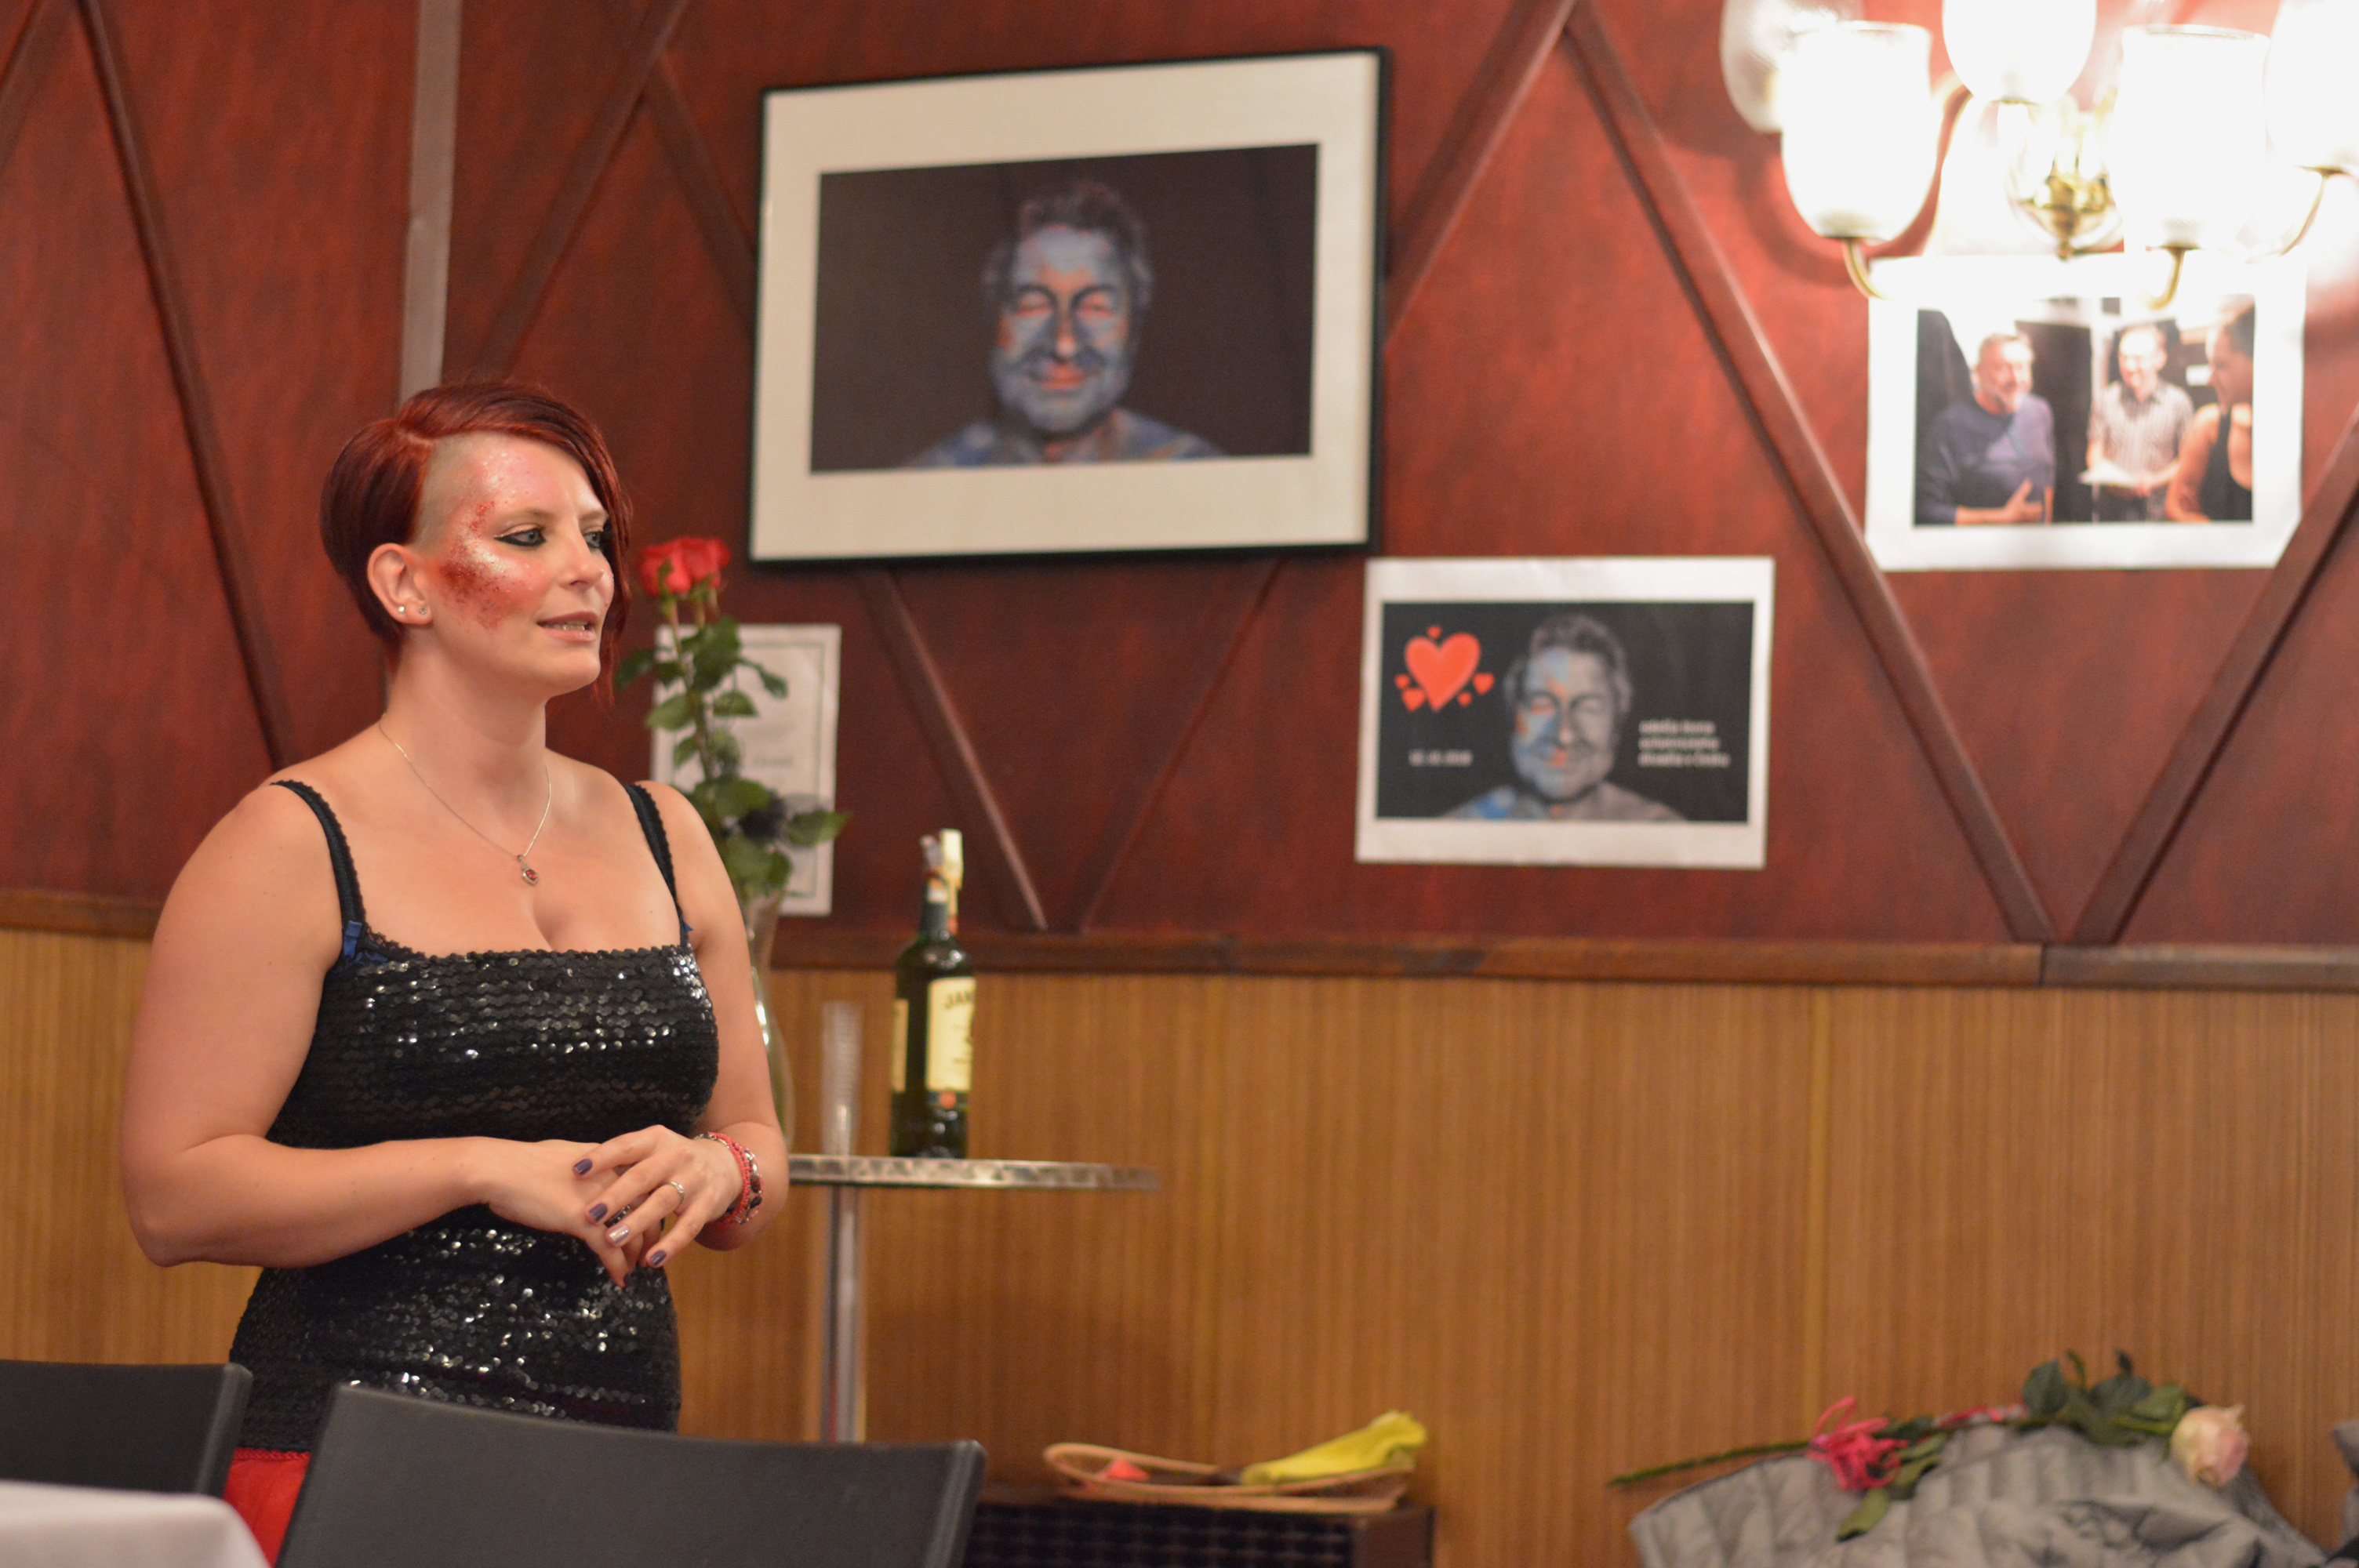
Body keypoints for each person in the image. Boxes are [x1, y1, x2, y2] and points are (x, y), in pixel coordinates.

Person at [118, 383, 786, 1563]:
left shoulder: (668, 832)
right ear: (403, 583)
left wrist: (715, 1170)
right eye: (528, 536)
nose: (588, 572)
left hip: (621, 1464)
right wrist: (476, 1167)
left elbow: (758, 1150)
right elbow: (173, 1199)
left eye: (596, 537)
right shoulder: (290, 840)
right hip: (346, 1463)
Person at [907, 178, 1222, 466]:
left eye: (1095, 308)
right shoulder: (930, 480)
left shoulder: (1195, 472)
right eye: (1033, 306)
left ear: (1133, 333)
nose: (1064, 345)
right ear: (993, 324)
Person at [1448, 614, 1681, 822]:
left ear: (1618, 722)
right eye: (1542, 704)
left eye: (1588, 708)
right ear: (1513, 715)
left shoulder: (1662, 829)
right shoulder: (1457, 829)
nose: (1564, 735)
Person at [1915, 332, 2055, 527]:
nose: (2015, 379)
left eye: (2022, 367)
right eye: (2002, 368)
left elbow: (2047, 478)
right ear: (1978, 372)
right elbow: (1927, 510)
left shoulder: (2040, 412)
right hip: (1979, 545)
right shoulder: (1951, 426)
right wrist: (2002, 519)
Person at [2086, 323, 2193, 521]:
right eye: (2123, 357)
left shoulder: (2178, 402)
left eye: (2138, 358)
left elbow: (2188, 461)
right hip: (2113, 509)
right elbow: (2094, 453)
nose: (2129, 366)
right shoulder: (2106, 400)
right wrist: (2115, 481)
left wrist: (2153, 480)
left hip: (2158, 511)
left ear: (2159, 359)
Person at [2166, 305, 2256, 522]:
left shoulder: (2299, 431)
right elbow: (2175, 507)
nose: (2210, 379)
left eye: (2221, 365)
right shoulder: (2210, 425)